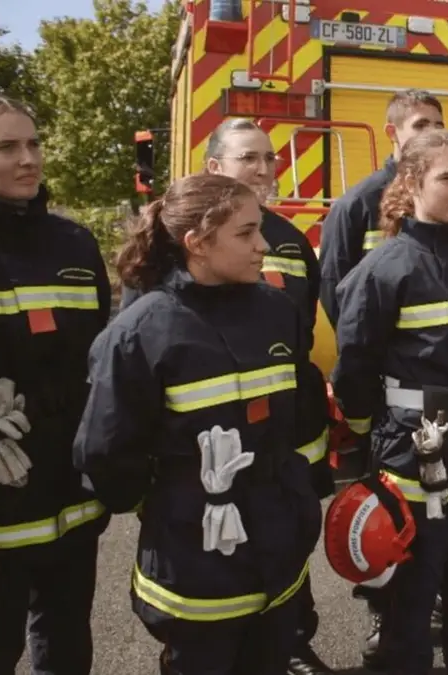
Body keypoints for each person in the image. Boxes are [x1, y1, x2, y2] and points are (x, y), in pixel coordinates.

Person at [73, 173, 327, 674]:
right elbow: (104, 450)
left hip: (277, 547)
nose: (263, 246)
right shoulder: (143, 329)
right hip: (194, 555)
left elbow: (299, 410)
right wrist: (169, 500)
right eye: (246, 233)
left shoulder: (277, 310)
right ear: (197, 243)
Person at [330, 129, 448, 675]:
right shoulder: (382, 269)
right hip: (414, 451)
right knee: (412, 589)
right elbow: (355, 369)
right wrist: (371, 436)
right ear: (411, 184)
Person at [0, 91, 111, 675]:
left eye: (33, 143)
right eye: (6, 146)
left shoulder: (74, 243)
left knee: (66, 634)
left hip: (69, 487)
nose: (28, 158)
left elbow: (104, 357)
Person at [318, 88, 448, 326]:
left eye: (439, 125)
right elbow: (334, 284)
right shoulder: (356, 204)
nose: (433, 133)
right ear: (392, 132)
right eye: (421, 125)